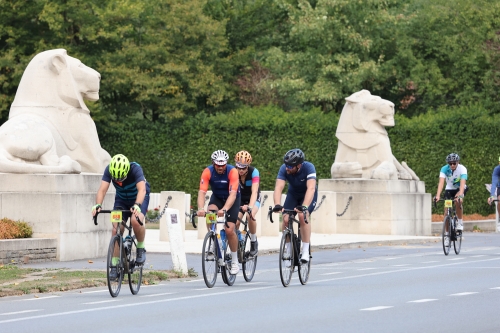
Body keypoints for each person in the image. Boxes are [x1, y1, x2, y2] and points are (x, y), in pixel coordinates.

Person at [91, 154, 150, 278]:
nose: (118, 181)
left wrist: (137, 205)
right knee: (116, 229)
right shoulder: (109, 169)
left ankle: (140, 247)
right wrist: (98, 205)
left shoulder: (135, 169)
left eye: (121, 179)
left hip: (139, 198)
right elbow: (102, 189)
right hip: (122, 200)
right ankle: (114, 265)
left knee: (135, 220)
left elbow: (142, 190)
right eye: (116, 179)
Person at [197, 150, 241, 274]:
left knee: (229, 230)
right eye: (218, 165)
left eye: (223, 165)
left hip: (232, 200)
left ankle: (234, 261)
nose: (221, 168)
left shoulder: (232, 171)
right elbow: (202, 192)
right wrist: (201, 208)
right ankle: (212, 239)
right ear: (213, 163)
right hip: (217, 198)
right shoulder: (207, 171)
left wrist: (225, 209)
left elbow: (232, 194)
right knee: (210, 213)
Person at [272, 148, 317, 263]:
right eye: (286, 165)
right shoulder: (284, 168)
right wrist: (277, 204)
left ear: (299, 165)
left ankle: (306, 250)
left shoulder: (309, 167)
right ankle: (289, 250)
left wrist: (305, 206)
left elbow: (311, 188)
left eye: (291, 166)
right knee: (286, 219)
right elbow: (279, 187)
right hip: (293, 194)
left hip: (307, 194)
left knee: (302, 216)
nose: (287, 168)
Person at [433, 153, 468, 234]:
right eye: (450, 163)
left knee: (457, 201)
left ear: (458, 162)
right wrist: (437, 195)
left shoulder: (462, 169)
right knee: (446, 210)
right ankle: (447, 233)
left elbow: (463, 183)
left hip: (460, 188)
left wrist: (460, 195)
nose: (452, 165)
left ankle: (460, 222)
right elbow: (441, 183)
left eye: (454, 163)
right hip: (449, 189)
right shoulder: (444, 169)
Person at [234, 150, 261, 257]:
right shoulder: (233, 172)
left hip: (253, 198)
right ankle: (238, 244)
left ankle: (254, 242)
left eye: (244, 168)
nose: (240, 170)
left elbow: (254, 191)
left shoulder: (254, 172)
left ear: (248, 166)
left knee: (251, 216)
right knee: (235, 222)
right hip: (240, 198)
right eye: (238, 167)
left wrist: (250, 206)